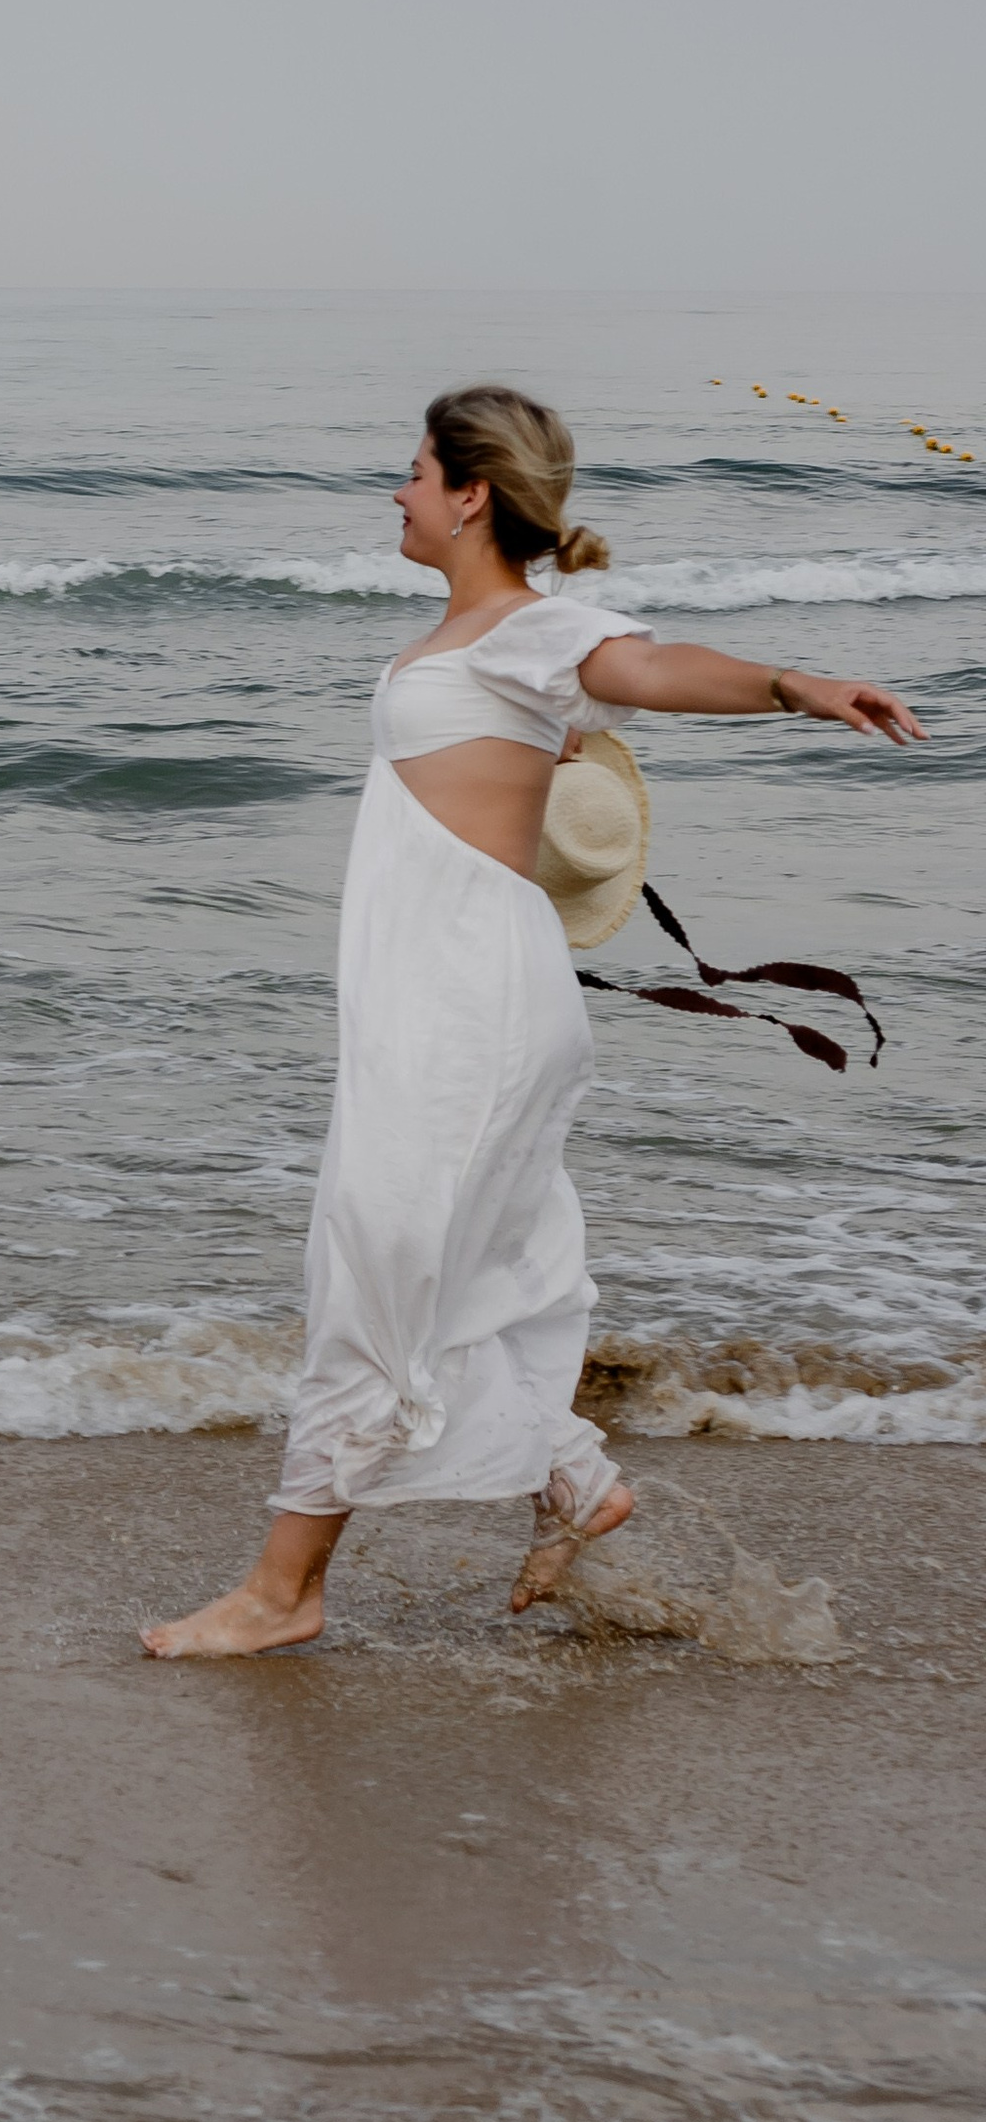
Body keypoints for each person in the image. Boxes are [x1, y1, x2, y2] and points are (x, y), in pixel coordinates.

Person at [143, 384, 923, 1660]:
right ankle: (568, 1476)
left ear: (469, 493)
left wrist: (793, 683)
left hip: (469, 1007)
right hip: (431, 1001)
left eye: (410, 470)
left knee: (380, 1269)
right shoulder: (466, 646)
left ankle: (284, 1593)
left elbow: (652, 667)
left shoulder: (534, 629)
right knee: (448, 1267)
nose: (393, 492)